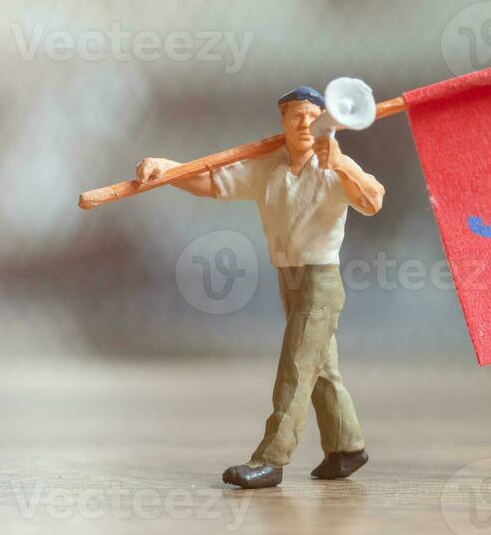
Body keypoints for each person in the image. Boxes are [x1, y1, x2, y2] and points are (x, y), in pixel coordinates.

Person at [135, 86, 385, 489]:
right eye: (295, 116)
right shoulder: (267, 167)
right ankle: (346, 447)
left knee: (297, 368)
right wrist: (166, 169)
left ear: (324, 119)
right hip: (288, 277)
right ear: (282, 121)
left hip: (321, 280)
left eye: (312, 116)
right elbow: (213, 182)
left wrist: (342, 165)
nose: (304, 124)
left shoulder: (334, 166)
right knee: (321, 368)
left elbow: (373, 200)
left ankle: (271, 459)